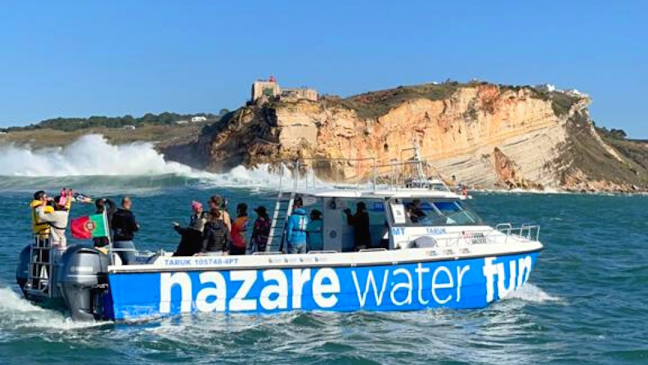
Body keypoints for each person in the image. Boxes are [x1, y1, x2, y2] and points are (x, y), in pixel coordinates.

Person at [111, 197, 139, 265]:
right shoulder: (129, 215)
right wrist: (137, 226)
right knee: (131, 261)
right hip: (126, 241)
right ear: (129, 203)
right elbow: (134, 228)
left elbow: (112, 226)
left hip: (116, 241)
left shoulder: (115, 214)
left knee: (122, 262)